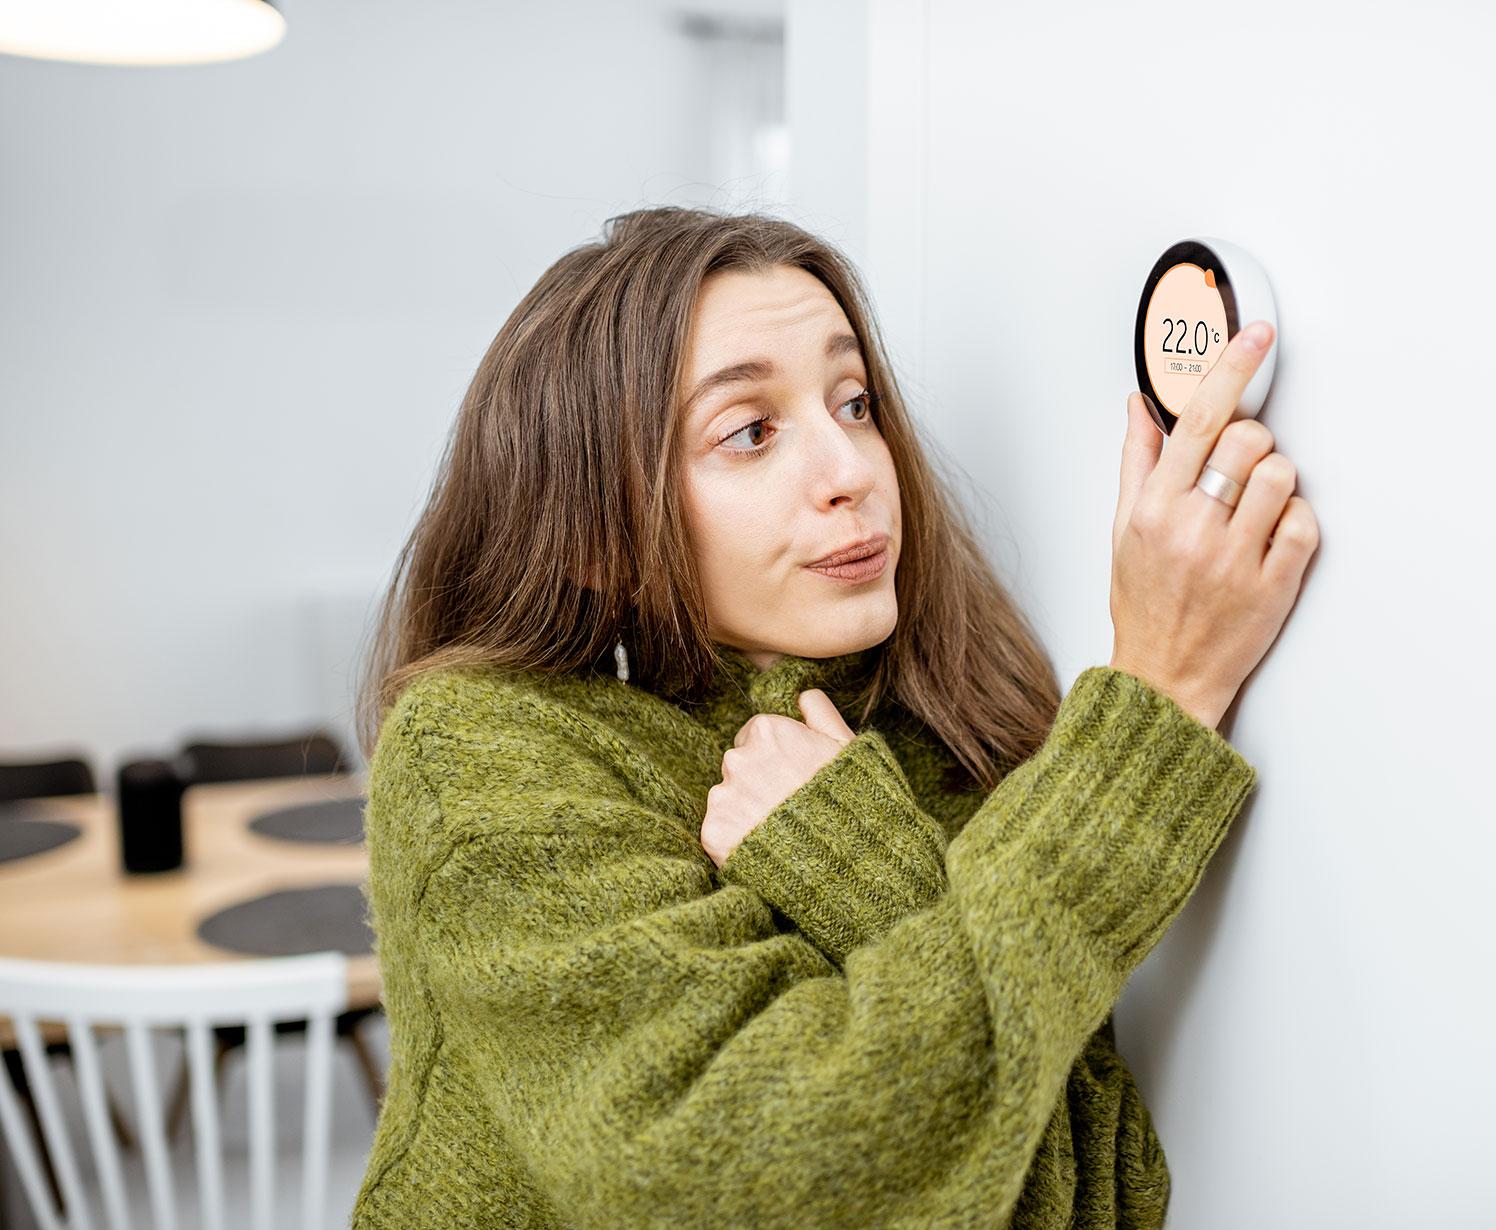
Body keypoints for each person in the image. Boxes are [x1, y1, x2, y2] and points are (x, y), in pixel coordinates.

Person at [347, 205, 1318, 1229]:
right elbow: (745, 1185)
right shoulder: (483, 754)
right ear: (594, 531)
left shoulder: (947, 730)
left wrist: (870, 871)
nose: (853, 473)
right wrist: (1158, 698)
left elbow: (1091, 1201)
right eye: (750, 432)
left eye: (854, 404)